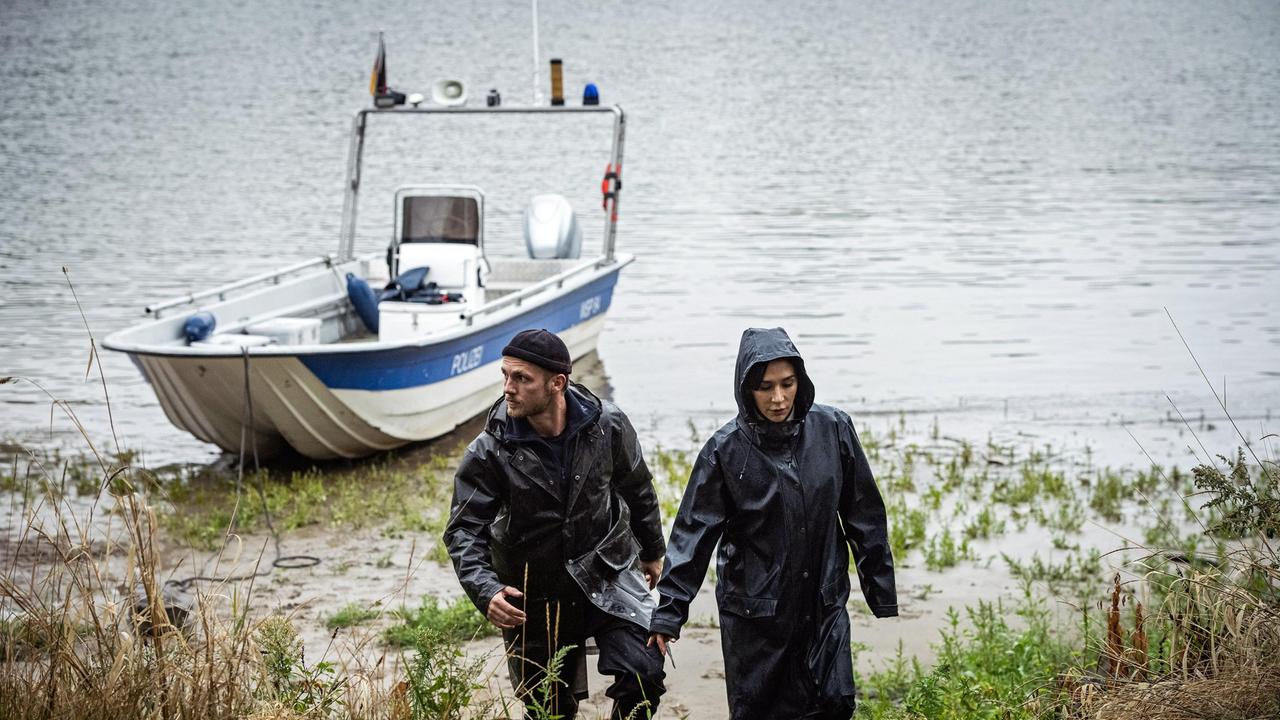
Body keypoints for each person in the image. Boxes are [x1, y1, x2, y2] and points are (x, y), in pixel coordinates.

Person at [648, 327, 897, 719]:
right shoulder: (724, 451)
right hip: (756, 617)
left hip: (823, 603)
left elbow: (864, 514)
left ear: (801, 381)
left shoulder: (833, 430)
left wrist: (880, 589)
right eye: (765, 387)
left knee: (835, 703)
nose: (778, 398)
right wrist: (669, 613)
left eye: (787, 383)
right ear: (747, 389)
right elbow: (692, 537)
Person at [443, 329, 667, 719]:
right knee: (548, 707)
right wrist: (487, 590)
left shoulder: (607, 425)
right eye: (506, 376)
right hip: (534, 593)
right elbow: (463, 530)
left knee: (643, 675)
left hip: (606, 575)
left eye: (521, 378)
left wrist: (652, 550)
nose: (508, 388)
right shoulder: (491, 449)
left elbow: (636, 485)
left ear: (557, 383)